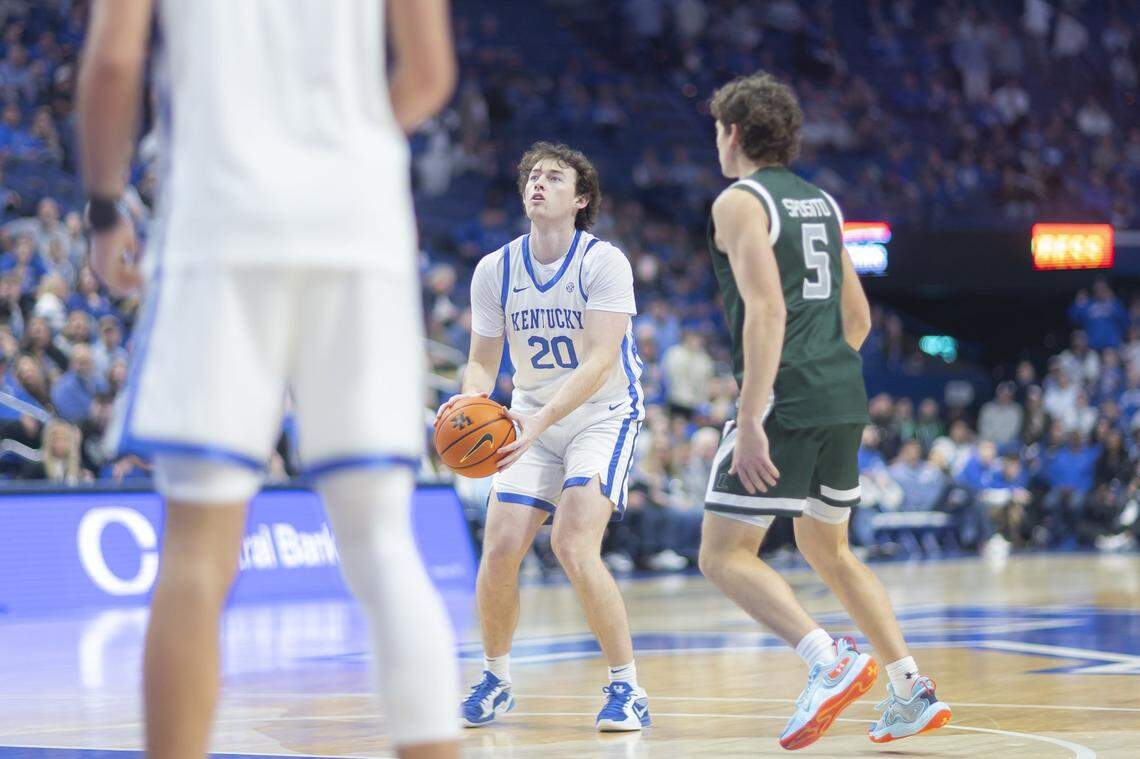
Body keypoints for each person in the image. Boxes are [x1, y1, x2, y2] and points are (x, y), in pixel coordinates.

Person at [78, 2, 458, 759]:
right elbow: (428, 74)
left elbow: (114, 62)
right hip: (360, 231)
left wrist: (102, 204)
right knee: (384, 542)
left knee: (196, 551)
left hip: (222, 223)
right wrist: (340, 154)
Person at [695, 73, 951, 751]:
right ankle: (910, 689)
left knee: (722, 554)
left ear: (735, 132)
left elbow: (767, 309)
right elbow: (858, 316)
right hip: (842, 390)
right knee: (826, 546)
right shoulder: (822, 203)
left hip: (785, 392)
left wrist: (752, 416)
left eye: (718, 129)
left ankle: (826, 658)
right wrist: (826, 370)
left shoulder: (739, 201)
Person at [437, 142, 649, 732]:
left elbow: (601, 361)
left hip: (603, 413)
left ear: (580, 199)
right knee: (501, 547)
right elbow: (482, 363)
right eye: (532, 175)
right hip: (529, 414)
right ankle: (496, 678)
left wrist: (538, 421)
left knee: (573, 544)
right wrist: (472, 399)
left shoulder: (603, 262)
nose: (538, 183)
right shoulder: (495, 269)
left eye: (554, 177)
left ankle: (626, 689)